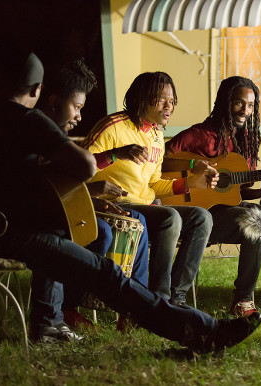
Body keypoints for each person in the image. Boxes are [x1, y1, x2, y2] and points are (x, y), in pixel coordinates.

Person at [0, 51, 261, 348]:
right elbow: (85, 165)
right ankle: (202, 331)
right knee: (108, 273)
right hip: (16, 235)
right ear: (37, 90)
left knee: (82, 235)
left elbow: (16, 181)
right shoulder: (27, 120)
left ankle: (49, 321)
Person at [164, 76, 261, 316]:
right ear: (225, 102)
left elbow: (234, 192)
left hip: (225, 210)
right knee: (257, 222)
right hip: (196, 213)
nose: (246, 111)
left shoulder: (241, 143)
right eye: (239, 103)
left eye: (250, 105)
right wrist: (195, 169)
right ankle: (242, 301)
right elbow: (163, 163)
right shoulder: (199, 135)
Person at [80, 72, 218, 307]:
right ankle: (158, 299)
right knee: (169, 217)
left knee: (201, 217)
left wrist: (190, 184)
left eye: (172, 101)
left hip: (145, 206)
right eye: (162, 100)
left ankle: (177, 296)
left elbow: (154, 185)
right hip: (115, 204)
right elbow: (81, 163)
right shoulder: (113, 127)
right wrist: (115, 155)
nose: (169, 106)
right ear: (143, 99)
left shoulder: (155, 135)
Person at [38, 58, 150, 331]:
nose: (79, 116)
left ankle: (132, 308)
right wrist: (93, 190)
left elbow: (60, 183)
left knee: (135, 222)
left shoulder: (52, 133)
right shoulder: (39, 132)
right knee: (99, 232)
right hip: (36, 219)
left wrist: (94, 198)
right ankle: (70, 307)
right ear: (53, 101)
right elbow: (45, 187)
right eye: (76, 107)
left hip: (61, 207)